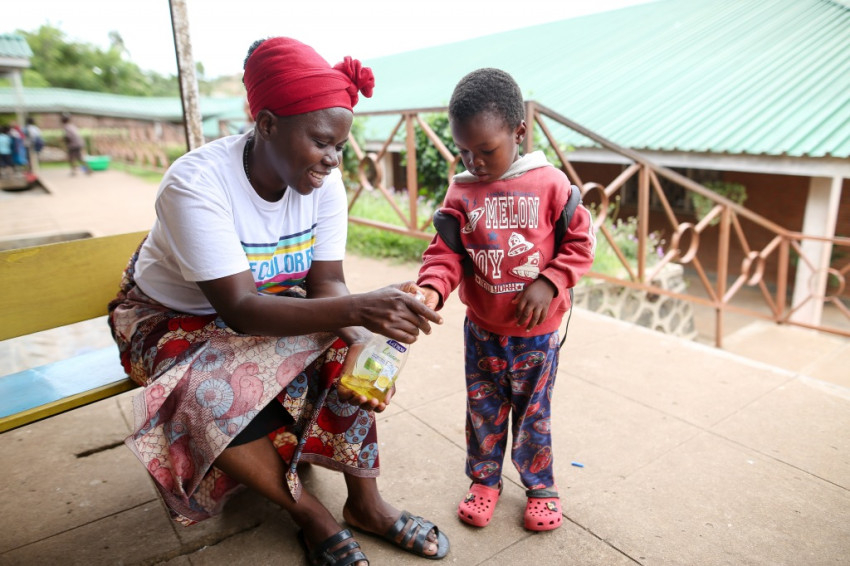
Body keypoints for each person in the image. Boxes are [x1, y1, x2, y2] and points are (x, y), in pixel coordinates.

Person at [108, 37, 450, 565]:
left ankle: (367, 504)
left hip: (261, 304)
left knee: (347, 350)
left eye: (340, 146)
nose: (332, 160)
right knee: (202, 392)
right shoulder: (197, 183)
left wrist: (364, 343)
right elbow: (240, 309)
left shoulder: (323, 185)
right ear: (267, 125)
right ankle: (310, 514)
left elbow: (328, 285)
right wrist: (360, 310)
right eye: (322, 142)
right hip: (167, 317)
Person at [415, 68, 596, 532]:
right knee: (483, 412)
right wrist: (432, 287)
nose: (474, 161)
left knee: (534, 415)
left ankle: (541, 486)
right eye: (464, 151)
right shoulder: (461, 191)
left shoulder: (551, 184)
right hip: (482, 331)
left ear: (518, 132)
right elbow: (446, 252)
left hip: (537, 335)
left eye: (486, 150)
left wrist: (551, 280)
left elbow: (581, 243)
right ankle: (484, 481)